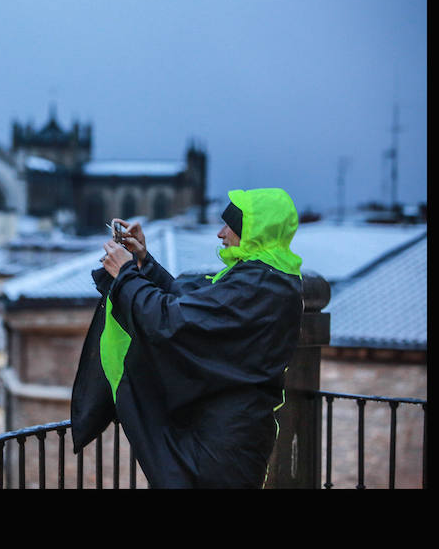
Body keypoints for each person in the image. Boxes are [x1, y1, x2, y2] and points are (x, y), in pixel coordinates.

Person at [70, 188, 304, 488]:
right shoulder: (269, 277)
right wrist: (144, 261)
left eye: (230, 226)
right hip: (230, 432)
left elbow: (172, 321)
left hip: (224, 443)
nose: (221, 233)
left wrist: (126, 274)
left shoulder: (258, 285)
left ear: (255, 231)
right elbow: (195, 306)